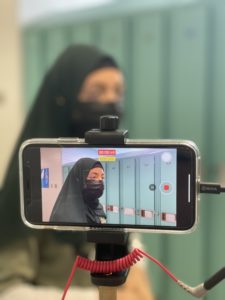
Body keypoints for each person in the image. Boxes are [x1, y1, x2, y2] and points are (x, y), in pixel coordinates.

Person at [0, 44, 155, 300]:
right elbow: (7, 290)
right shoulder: (31, 189)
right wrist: (99, 297)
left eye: (118, 92)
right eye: (96, 92)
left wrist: (136, 269)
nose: (110, 102)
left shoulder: (108, 169)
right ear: (64, 98)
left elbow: (126, 237)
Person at [50, 158, 106, 224]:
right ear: (79, 179)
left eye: (102, 177)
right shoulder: (63, 215)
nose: (100, 180)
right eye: (93, 177)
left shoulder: (97, 206)